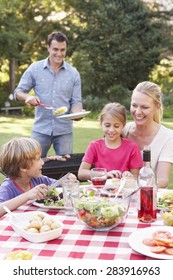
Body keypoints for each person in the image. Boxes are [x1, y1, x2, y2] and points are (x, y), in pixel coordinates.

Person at [14, 31, 83, 157]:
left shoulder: (73, 74)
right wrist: (28, 97)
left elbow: (76, 102)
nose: (59, 53)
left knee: (66, 170)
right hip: (40, 129)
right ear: (48, 48)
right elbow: (18, 92)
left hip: (64, 131)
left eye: (63, 50)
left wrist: (77, 113)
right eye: (55, 49)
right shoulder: (35, 68)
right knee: (32, 165)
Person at [0, 137, 76, 218]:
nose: (42, 162)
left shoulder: (39, 180)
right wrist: (27, 196)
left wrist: (65, 181)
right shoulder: (7, 188)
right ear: (23, 167)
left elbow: (56, 185)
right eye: (38, 159)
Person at [123, 81, 173, 189]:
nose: (138, 112)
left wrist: (136, 185)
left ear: (157, 106)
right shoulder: (122, 131)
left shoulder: (167, 137)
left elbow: (162, 180)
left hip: (148, 198)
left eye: (144, 107)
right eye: (134, 105)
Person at [78, 103, 143, 181]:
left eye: (116, 126)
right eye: (107, 125)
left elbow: (135, 176)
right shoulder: (94, 146)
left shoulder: (132, 147)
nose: (111, 130)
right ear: (101, 123)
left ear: (123, 125)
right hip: (100, 189)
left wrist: (129, 175)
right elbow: (81, 173)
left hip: (123, 191)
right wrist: (104, 174)